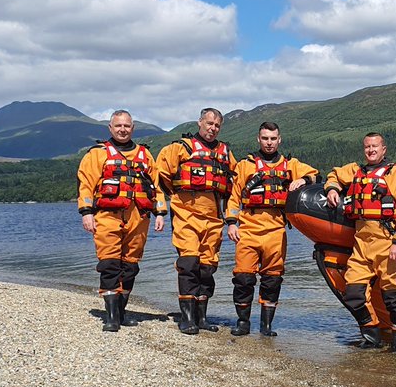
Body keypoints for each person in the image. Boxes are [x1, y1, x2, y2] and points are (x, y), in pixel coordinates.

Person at [324, 132, 396, 351]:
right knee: (354, 293)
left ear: (384, 149)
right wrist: (331, 188)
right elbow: (334, 175)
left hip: (388, 242)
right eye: (367, 147)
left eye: (375, 146)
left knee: (394, 296)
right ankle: (372, 336)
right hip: (362, 244)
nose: (371, 150)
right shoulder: (356, 171)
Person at [224, 122, 319, 337]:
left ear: (279, 140)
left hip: (276, 230)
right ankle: (243, 322)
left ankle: (266, 326)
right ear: (259, 139)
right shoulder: (245, 166)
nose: (269, 142)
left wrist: (302, 179)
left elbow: (315, 175)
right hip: (248, 228)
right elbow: (233, 197)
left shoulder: (290, 165)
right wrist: (231, 223)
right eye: (265, 138)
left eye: (273, 138)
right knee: (243, 279)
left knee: (272, 279)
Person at [77, 110, 166, 331]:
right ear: (110, 128)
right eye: (118, 126)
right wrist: (86, 212)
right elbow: (86, 184)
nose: (122, 130)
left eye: (126, 126)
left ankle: (122, 311)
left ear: (132, 128)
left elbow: (156, 186)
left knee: (130, 267)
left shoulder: (145, 155)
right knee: (109, 265)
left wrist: (161, 213)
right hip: (107, 216)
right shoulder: (97, 154)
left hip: (139, 218)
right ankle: (111, 316)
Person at [156, 107, 237, 335]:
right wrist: (162, 209)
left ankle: (202, 317)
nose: (212, 128)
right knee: (189, 263)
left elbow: (236, 185)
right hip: (186, 213)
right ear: (199, 122)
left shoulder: (225, 153)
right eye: (209, 123)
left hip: (213, 216)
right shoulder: (179, 148)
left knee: (207, 267)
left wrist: (232, 218)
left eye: (217, 125)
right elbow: (160, 178)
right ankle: (187, 318)